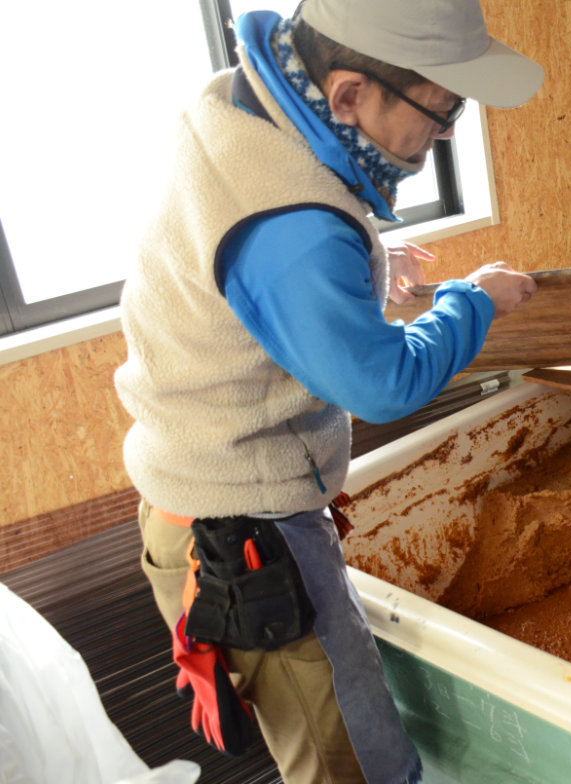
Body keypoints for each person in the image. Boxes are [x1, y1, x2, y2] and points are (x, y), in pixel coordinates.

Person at [114, 0, 543, 781]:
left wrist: (365, 272)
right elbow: (384, 383)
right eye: (441, 110)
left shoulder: (241, 104)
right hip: (247, 540)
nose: (446, 132)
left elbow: (255, 295)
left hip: (188, 495)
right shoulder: (295, 230)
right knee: (357, 765)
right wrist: (472, 299)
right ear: (347, 95)